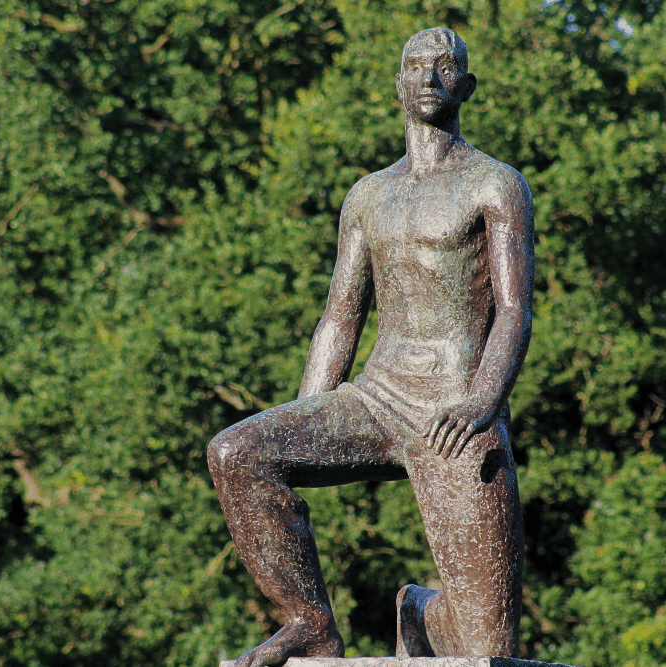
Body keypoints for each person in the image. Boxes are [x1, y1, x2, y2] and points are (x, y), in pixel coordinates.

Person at [207, 26, 534, 667]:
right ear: (398, 84)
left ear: (466, 86)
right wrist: (304, 414)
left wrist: (482, 404)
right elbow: (339, 317)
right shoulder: (368, 196)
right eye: (416, 67)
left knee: (490, 650)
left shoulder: (495, 184)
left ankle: (417, 609)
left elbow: (516, 312)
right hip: (378, 395)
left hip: (455, 409)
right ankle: (308, 624)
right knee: (236, 452)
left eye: (445, 68)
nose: (430, 79)